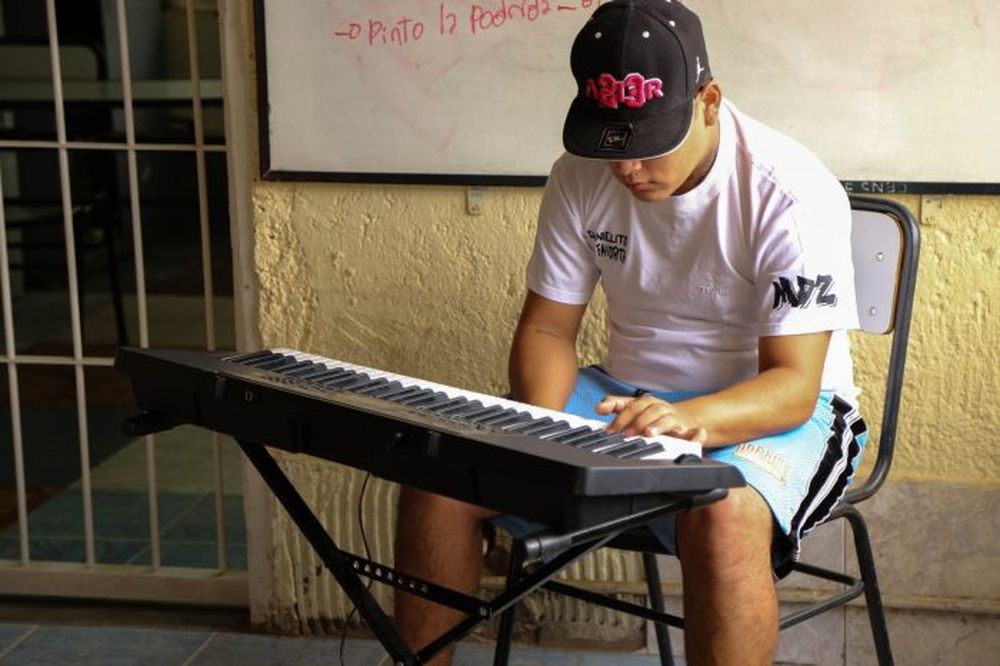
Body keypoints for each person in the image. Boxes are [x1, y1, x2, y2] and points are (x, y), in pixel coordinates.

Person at [394, 1, 867, 664]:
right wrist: (538, 429)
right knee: (439, 476)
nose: (625, 168)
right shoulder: (578, 175)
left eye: (648, 143)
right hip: (626, 397)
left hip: (779, 409)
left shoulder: (790, 192)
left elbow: (792, 386)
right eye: (607, 143)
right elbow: (549, 331)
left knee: (722, 513)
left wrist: (683, 418)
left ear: (708, 100)